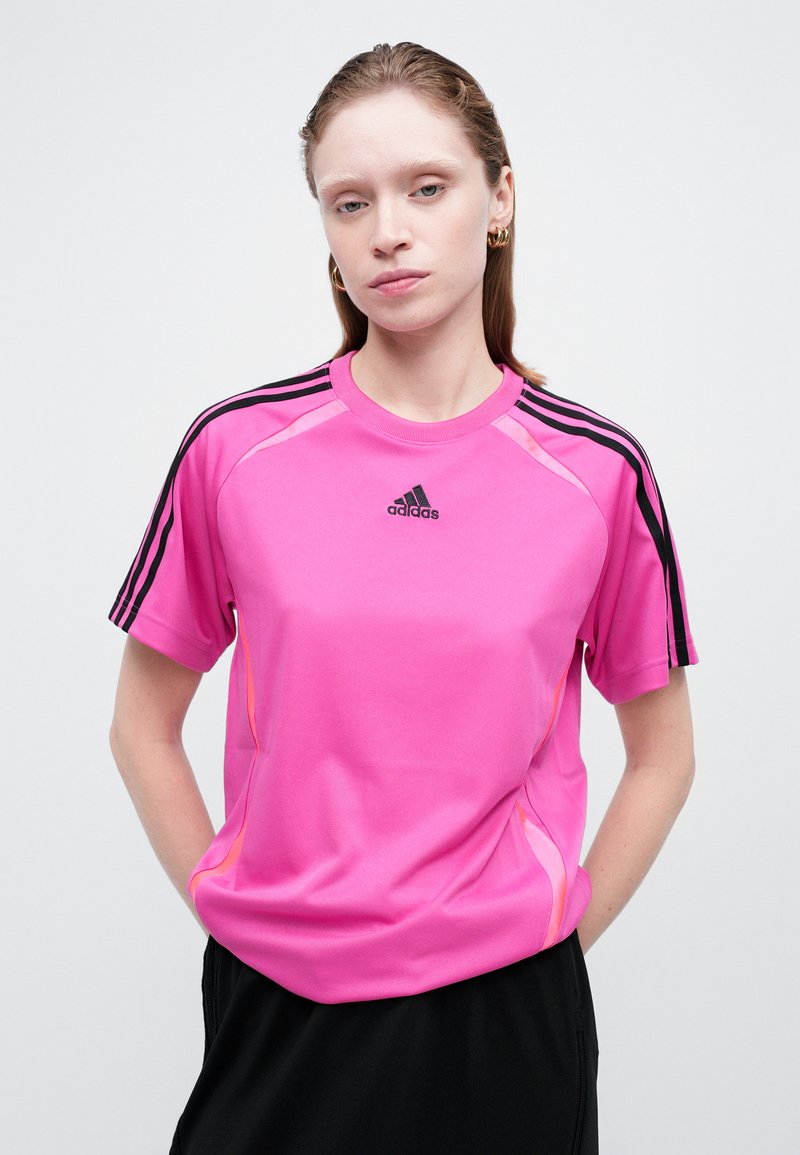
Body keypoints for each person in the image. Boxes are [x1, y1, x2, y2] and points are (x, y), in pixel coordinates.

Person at [108, 41, 697, 1155]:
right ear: (327, 234)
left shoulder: (596, 472)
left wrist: (546, 944)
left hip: (503, 1018)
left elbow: (662, 753)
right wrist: (232, 907)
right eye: (350, 201)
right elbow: (141, 724)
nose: (388, 229)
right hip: (277, 1002)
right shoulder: (236, 452)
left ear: (498, 199)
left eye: (427, 187)